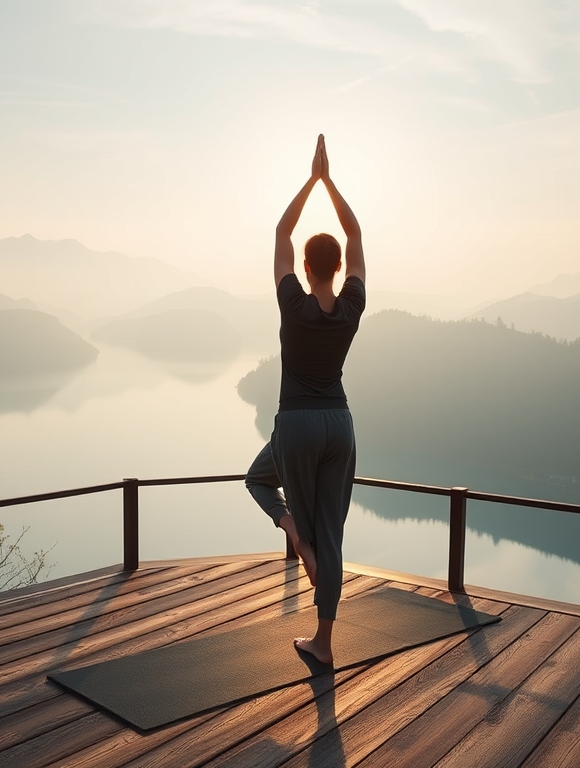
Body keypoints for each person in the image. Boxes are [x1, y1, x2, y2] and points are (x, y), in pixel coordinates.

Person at [245, 134, 365, 666]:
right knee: (333, 533)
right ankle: (324, 643)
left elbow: (280, 232)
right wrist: (332, 182)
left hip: (295, 423)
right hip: (339, 423)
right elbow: (356, 231)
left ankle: (295, 534)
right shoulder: (351, 306)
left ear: (307, 269)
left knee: (256, 478)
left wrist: (311, 180)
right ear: (337, 270)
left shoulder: (291, 302)